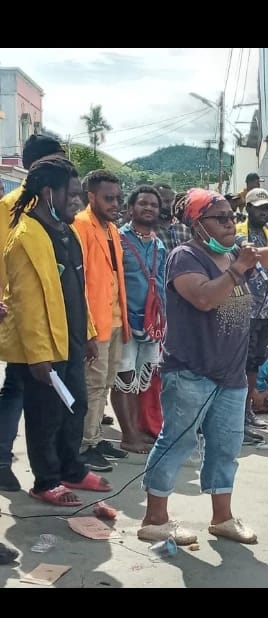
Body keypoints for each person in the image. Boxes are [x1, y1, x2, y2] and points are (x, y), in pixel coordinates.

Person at [137, 188, 268, 545]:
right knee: (177, 442)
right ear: (197, 224)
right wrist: (239, 269)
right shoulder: (185, 256)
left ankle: (222, 518)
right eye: (220, 218)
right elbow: (205, 298)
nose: (230, 224)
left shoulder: (239, 253)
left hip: (231, 375)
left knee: (226, 447)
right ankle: (154, 519)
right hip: (191, 370)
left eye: (231, 217)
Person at [0, 155, 111, 506]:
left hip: (73, 342)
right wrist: (38, 357)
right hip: (44, 349)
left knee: (74, 408)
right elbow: (27, 306)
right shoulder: (25, 238)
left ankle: (72, 470)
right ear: (49, 193)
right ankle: (46, 480)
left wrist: (90, 332)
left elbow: (79, 289)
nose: (78, 201)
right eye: (73, 194)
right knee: (44, 416)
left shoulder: (68, 233)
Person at [0, 135, 65, 492]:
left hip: (40, 311)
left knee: (26, 388)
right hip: (18, 310)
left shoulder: (53, 208)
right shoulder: (16, 206)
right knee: (17, 387)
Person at [73, 170, 131, 472]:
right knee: (93, 385)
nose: (115, 204)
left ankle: (96, 437)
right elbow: (79, 282)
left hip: (116, 319)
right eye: (109, 198)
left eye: (118, 198)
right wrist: (88, 330)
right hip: (95, 322)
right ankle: (86, 444)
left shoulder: (111, 229)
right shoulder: (81, 226)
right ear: (90, 197)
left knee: (106, 383)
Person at [112, 186, 166, 454]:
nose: (148, 208)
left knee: (139, 380)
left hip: (152, 323)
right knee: (123, 377)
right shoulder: (118, 239)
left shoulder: (159, 244)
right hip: (125, 320)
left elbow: (164, 286)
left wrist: (164, 321)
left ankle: (135, 430)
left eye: (153, 205)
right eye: (143, 203)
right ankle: (129, 435)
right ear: (130, 208)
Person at [236, 187, 268, 432]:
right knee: (237, 364)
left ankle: (246, 412)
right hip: (241, 310)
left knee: (254, 364)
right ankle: (234, 415)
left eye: (267, 207)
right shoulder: (236, 233)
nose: (264, 212)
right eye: (258, 207)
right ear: (248, 209)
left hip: (265, 312)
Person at [154, 183, 192, 252]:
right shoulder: (147, 232)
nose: (171, 205)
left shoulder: (184, 229)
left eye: (172, 201)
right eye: (166, 201)